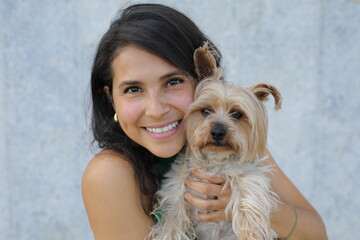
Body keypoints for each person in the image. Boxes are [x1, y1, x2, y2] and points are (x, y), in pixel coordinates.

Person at [82, 3, 327, 240]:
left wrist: (254, 208)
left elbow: (317, 234)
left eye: (173, 82)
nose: (156, 110)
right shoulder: (109, 174)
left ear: (202, 80)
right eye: (133, 89)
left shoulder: (237, 145)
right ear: (111, 98)